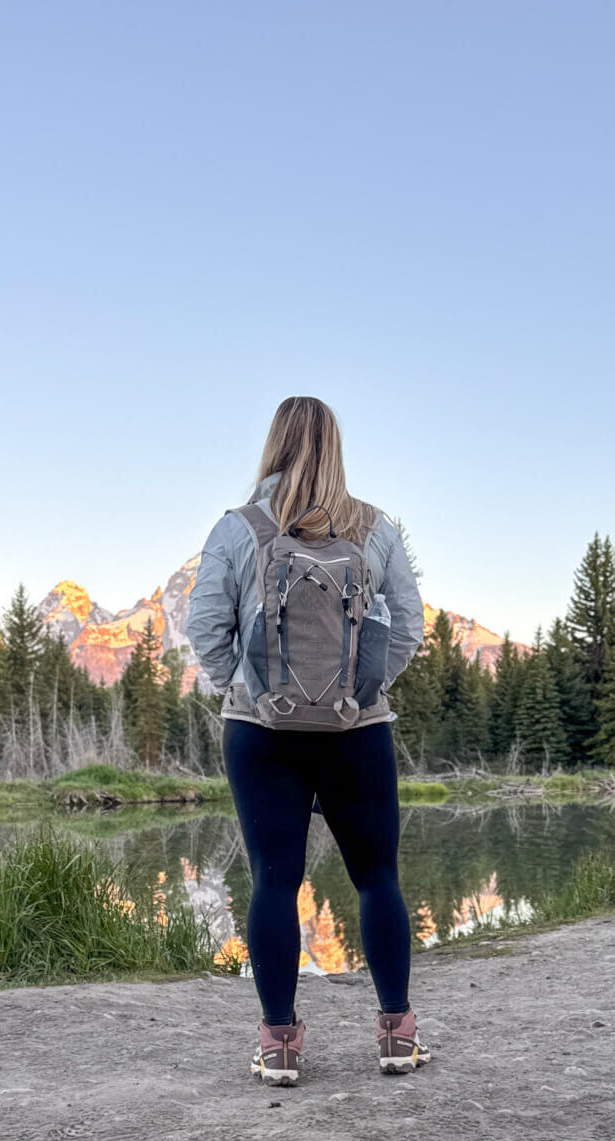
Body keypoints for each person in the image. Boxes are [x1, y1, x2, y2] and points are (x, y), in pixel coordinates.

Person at [185, 396, 430, 1085]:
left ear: (273, 444)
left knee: (274, 879)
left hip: (261, 734)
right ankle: (397, 1037)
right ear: (335, 448)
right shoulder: (374, 528)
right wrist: (360, 689)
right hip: (358, 731)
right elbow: (408, 626)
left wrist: (248, 691)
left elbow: (206, 628)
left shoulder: (238, 529)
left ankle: (280, 1046)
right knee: (378, 878)